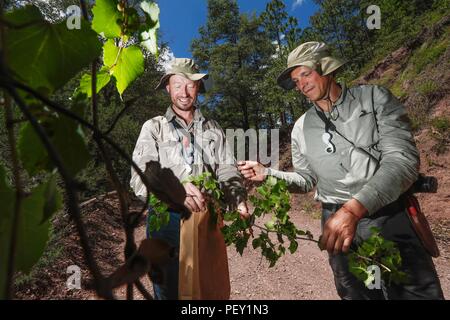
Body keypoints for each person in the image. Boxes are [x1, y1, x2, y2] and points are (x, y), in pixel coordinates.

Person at [238, 42, 444, 300]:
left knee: (413, 292)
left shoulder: (374, 98)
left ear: (326, 68)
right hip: (334, 221)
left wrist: (353, 210)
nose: (301, 85)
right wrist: (268, 174)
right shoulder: (301, 128)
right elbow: (306, 180)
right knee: (357, 293)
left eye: (306, 74)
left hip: (389, 214)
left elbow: (402, 161)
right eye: (295, 80)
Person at [130, 58, 249, 300]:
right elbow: (140, 175)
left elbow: (226, 167)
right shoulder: (154, 127)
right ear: (168, 88)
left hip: (207, 215)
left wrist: (238, 199)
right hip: (166, 219)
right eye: (177, 85)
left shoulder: (213, 128)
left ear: (198, 88)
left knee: (208, 287)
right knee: (169, 287)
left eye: (190, 85)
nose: (184, 92)